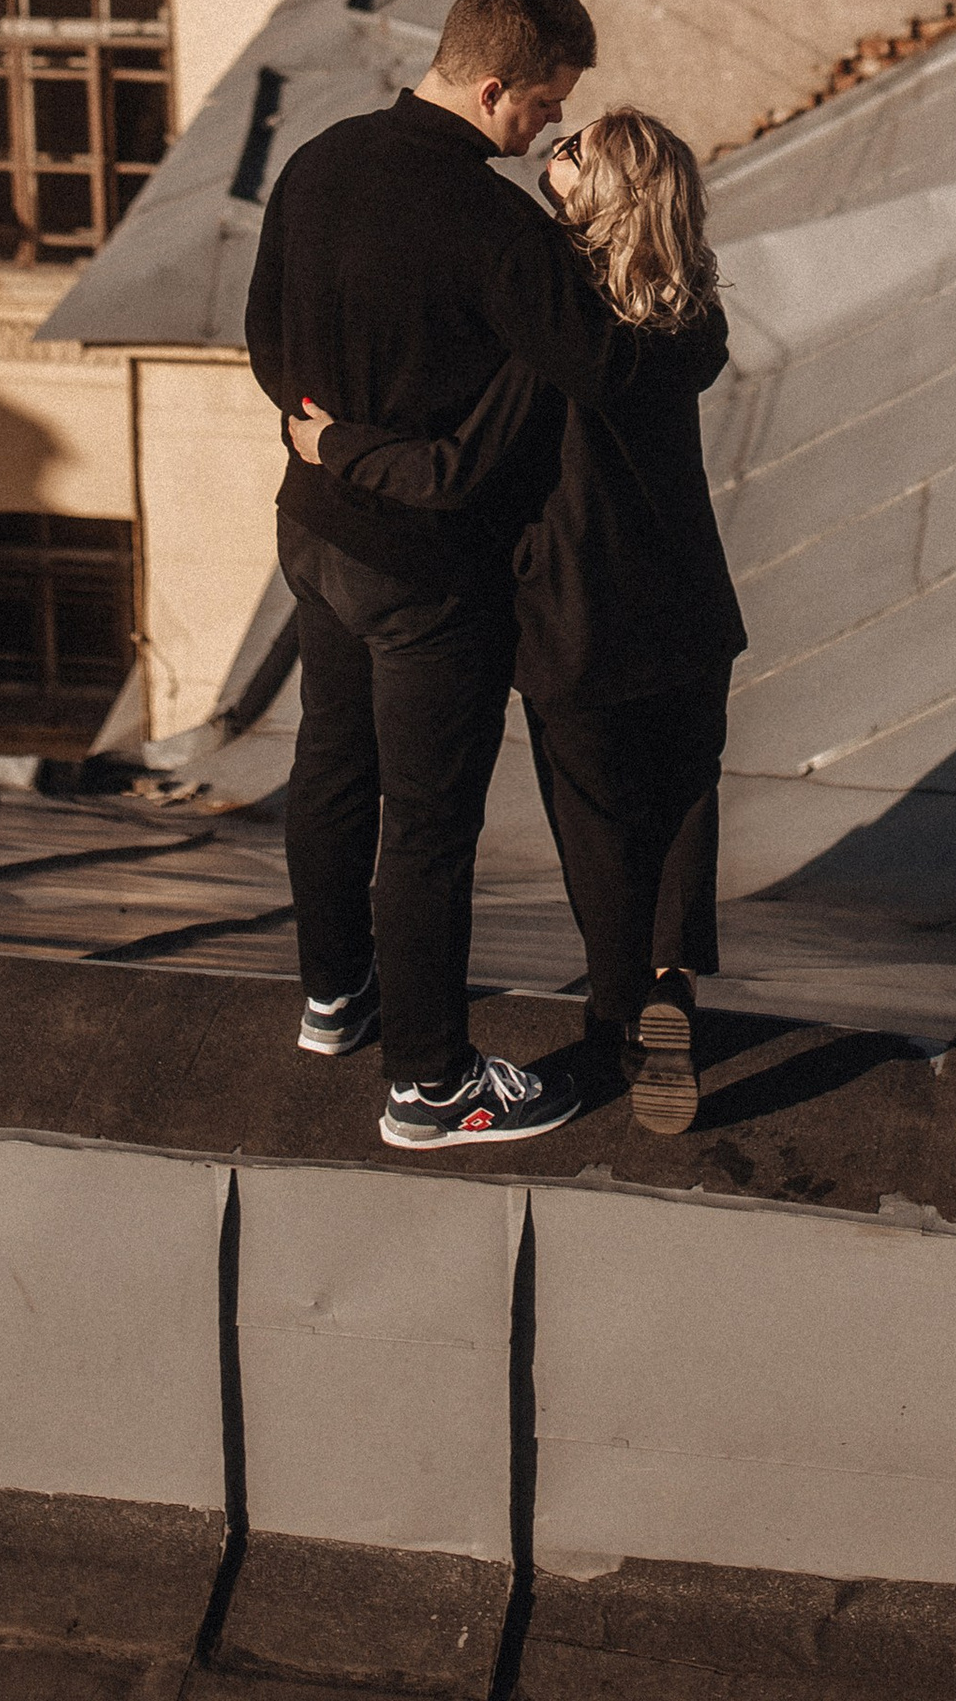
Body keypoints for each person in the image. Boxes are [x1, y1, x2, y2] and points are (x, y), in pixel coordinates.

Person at [246, 0, 651, 1153]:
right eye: (543, 104)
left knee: (331, 763)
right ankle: (429, 1084)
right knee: (428, 822)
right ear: (492, 86)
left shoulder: (317, 160)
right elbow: (602, 368)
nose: (544, 129)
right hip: (427, 565)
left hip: (316, 527)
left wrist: (328, 435)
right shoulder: (491, 222)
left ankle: (335, 998)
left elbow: (265, 341)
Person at [296, 107, 745, 1138]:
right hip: (690, 601)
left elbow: (457, 469)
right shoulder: (691, 315)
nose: (557, 145)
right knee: (683, 797)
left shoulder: (553, 327)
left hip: (573, 610)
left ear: (605, 195)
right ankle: (672, 983)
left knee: (597, 827)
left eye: (576, 149)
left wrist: (335, 448)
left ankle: (618, 1017)